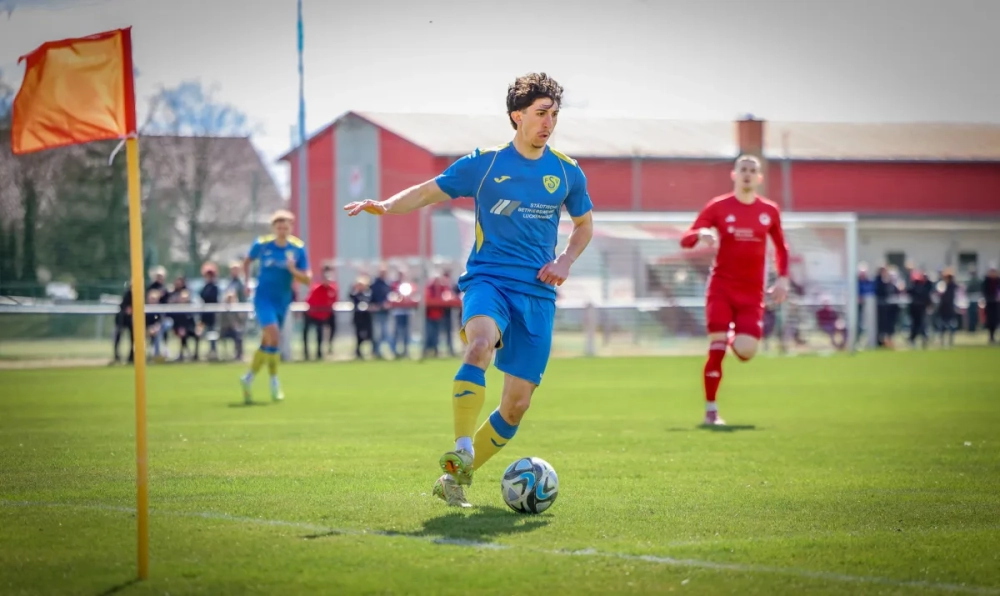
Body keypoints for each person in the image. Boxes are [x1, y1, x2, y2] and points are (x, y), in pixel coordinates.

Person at [343, 72, 594, 508]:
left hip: (537, 294)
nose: (548, 122)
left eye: (554, 114)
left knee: (516, 406)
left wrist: (565, 260)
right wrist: (385, 205)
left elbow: (584, 226)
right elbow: (427, 192)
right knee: (480, 345)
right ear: (517, 116)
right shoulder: (485, 164)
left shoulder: (567, 171)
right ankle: (461, 447)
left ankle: (454, 478)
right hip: (488, 280)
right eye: (540, 113)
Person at [679, 155, 789, 426]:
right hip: (722, 288)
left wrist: (783, 278)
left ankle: (730, 337)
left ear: (759, 178)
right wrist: (700, 234)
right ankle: (711, 411)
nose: (747, 174)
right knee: (716, 349)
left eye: (752, 170)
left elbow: (781, 248)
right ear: (734, 175)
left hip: (752, 293)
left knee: (746, 351)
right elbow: (686, 239)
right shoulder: (718, 206)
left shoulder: (769, 210)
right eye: (743, 170)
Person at [239, 210, 311, 404]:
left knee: (268, 342)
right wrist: (246, 283)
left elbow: (307, 279)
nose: (282, 230)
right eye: (279, 227)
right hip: (263, 298)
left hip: (283, 301)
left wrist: (293, 270)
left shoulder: (298, 248)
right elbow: (247, 261)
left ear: (291, 227)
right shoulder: (262, 244)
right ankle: (274, 381)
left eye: (285, 227)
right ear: (273, 228)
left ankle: (248, 378)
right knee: (275, 335)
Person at [304, 265, 338, 360]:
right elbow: (310, 301)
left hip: (324, 315)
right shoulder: (316, 289)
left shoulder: (332, 289)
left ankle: (323, 351)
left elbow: (333, 301)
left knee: (324, 332)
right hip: (313, 315)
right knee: (309, 332)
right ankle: (306, 353)